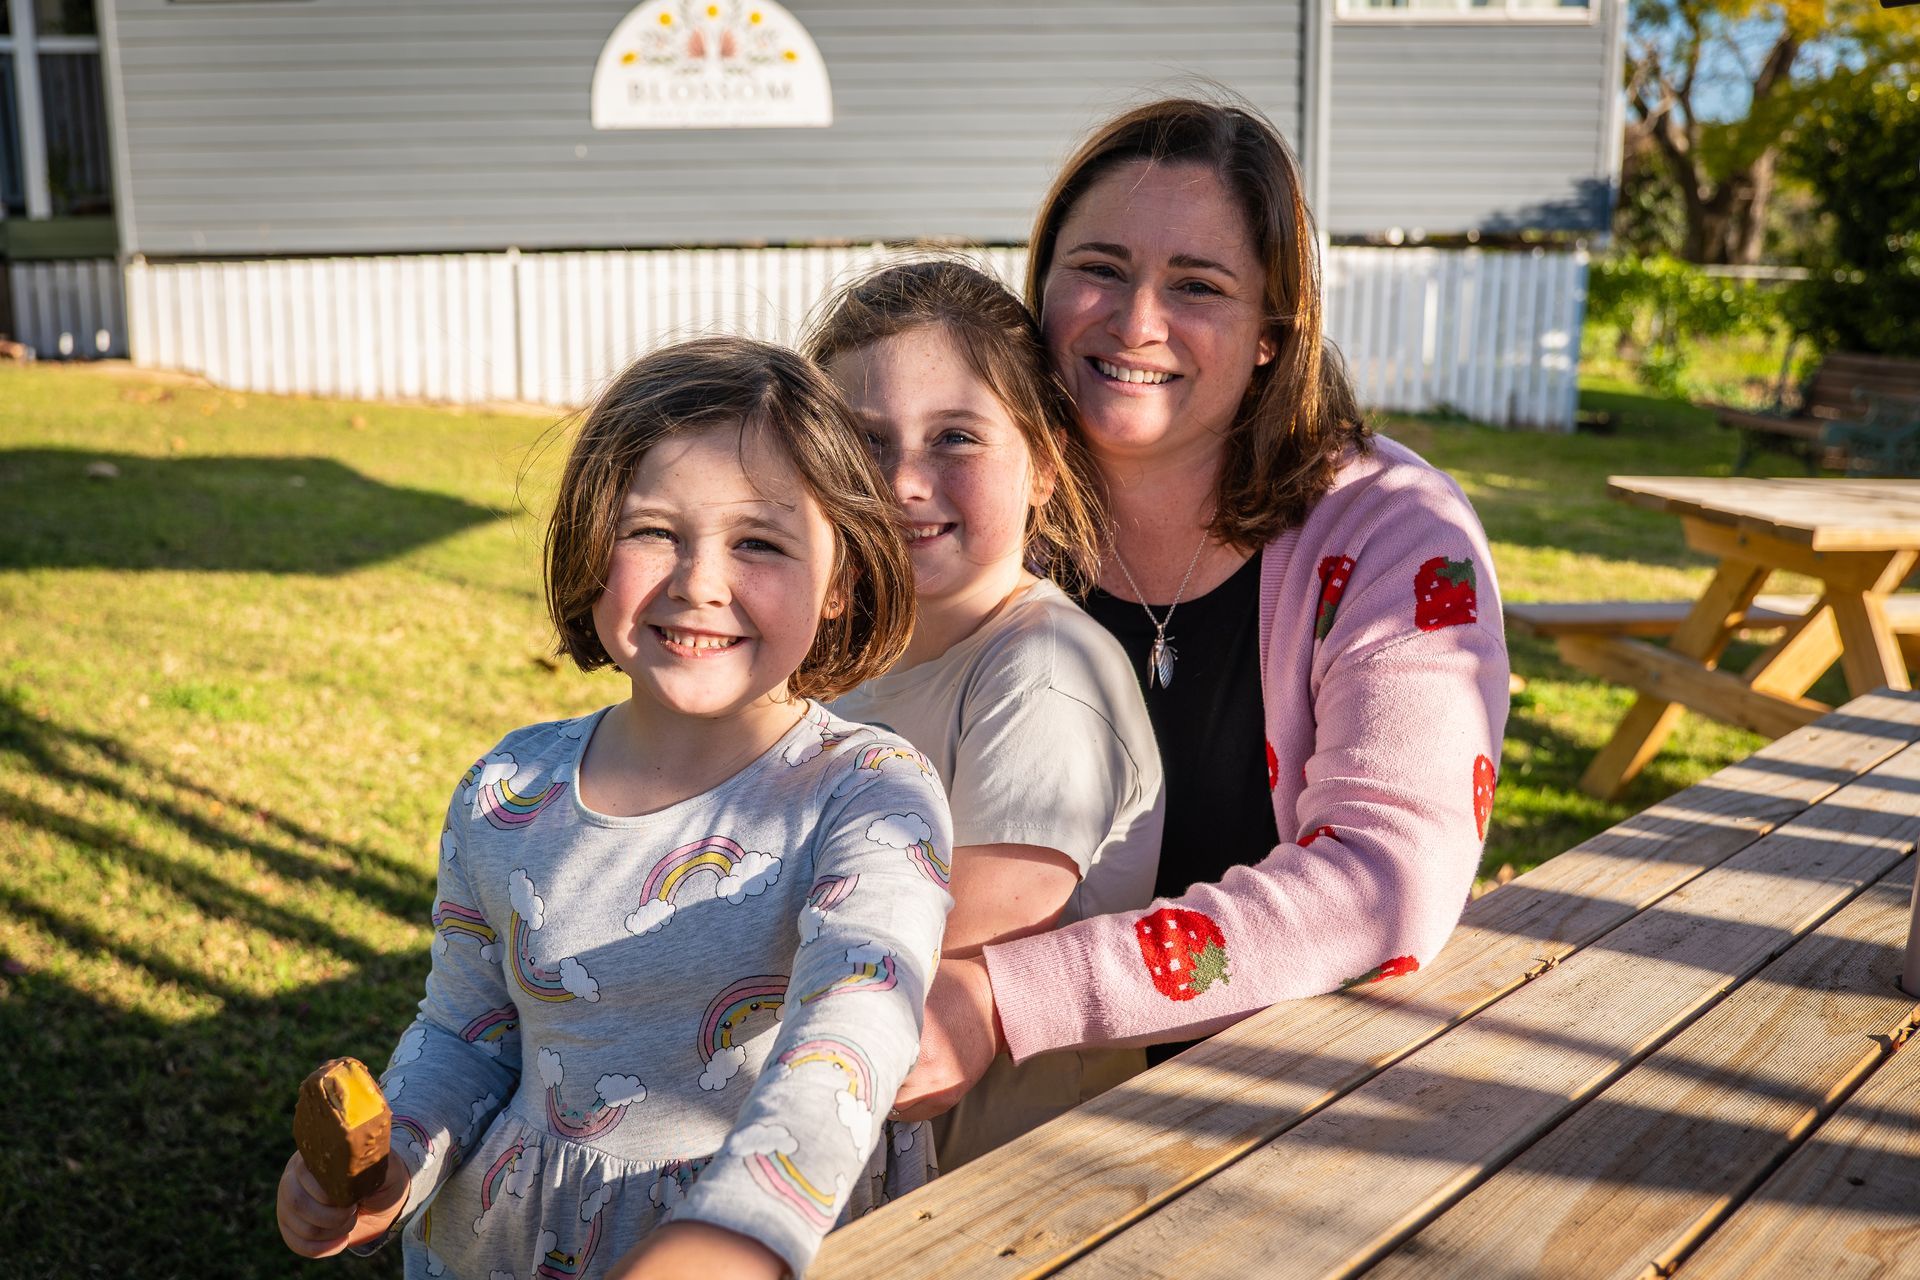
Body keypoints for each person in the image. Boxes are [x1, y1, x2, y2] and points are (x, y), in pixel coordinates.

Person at [274, 337, 955, 1280]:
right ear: (592, 546)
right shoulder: (508, 792)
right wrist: (394, 1162)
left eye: (759, 542)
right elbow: (466, 1035)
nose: (699, 582)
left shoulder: (872, 796)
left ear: (841, 580)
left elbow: (854, 1032)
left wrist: (742, 1233)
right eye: (653, 532)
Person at [893, 98, 1511, 1116]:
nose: (1136, 320)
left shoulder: (1393, 532)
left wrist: (1006, 997)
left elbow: (1386, 879)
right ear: (1042, 287)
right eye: (1099, 266)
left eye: (1197, 285)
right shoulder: (967, 494)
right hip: (958, 1104)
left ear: (1273, 333)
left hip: (1279, 1105)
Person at [806, 260, 1165, 1169]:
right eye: (867, 443)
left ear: (1044, 463)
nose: (904, 484)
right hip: (865, 1137)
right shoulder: (858, 654)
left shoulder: (1043, 672)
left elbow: (955, 931)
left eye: (956, 438)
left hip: (1014, 1183)